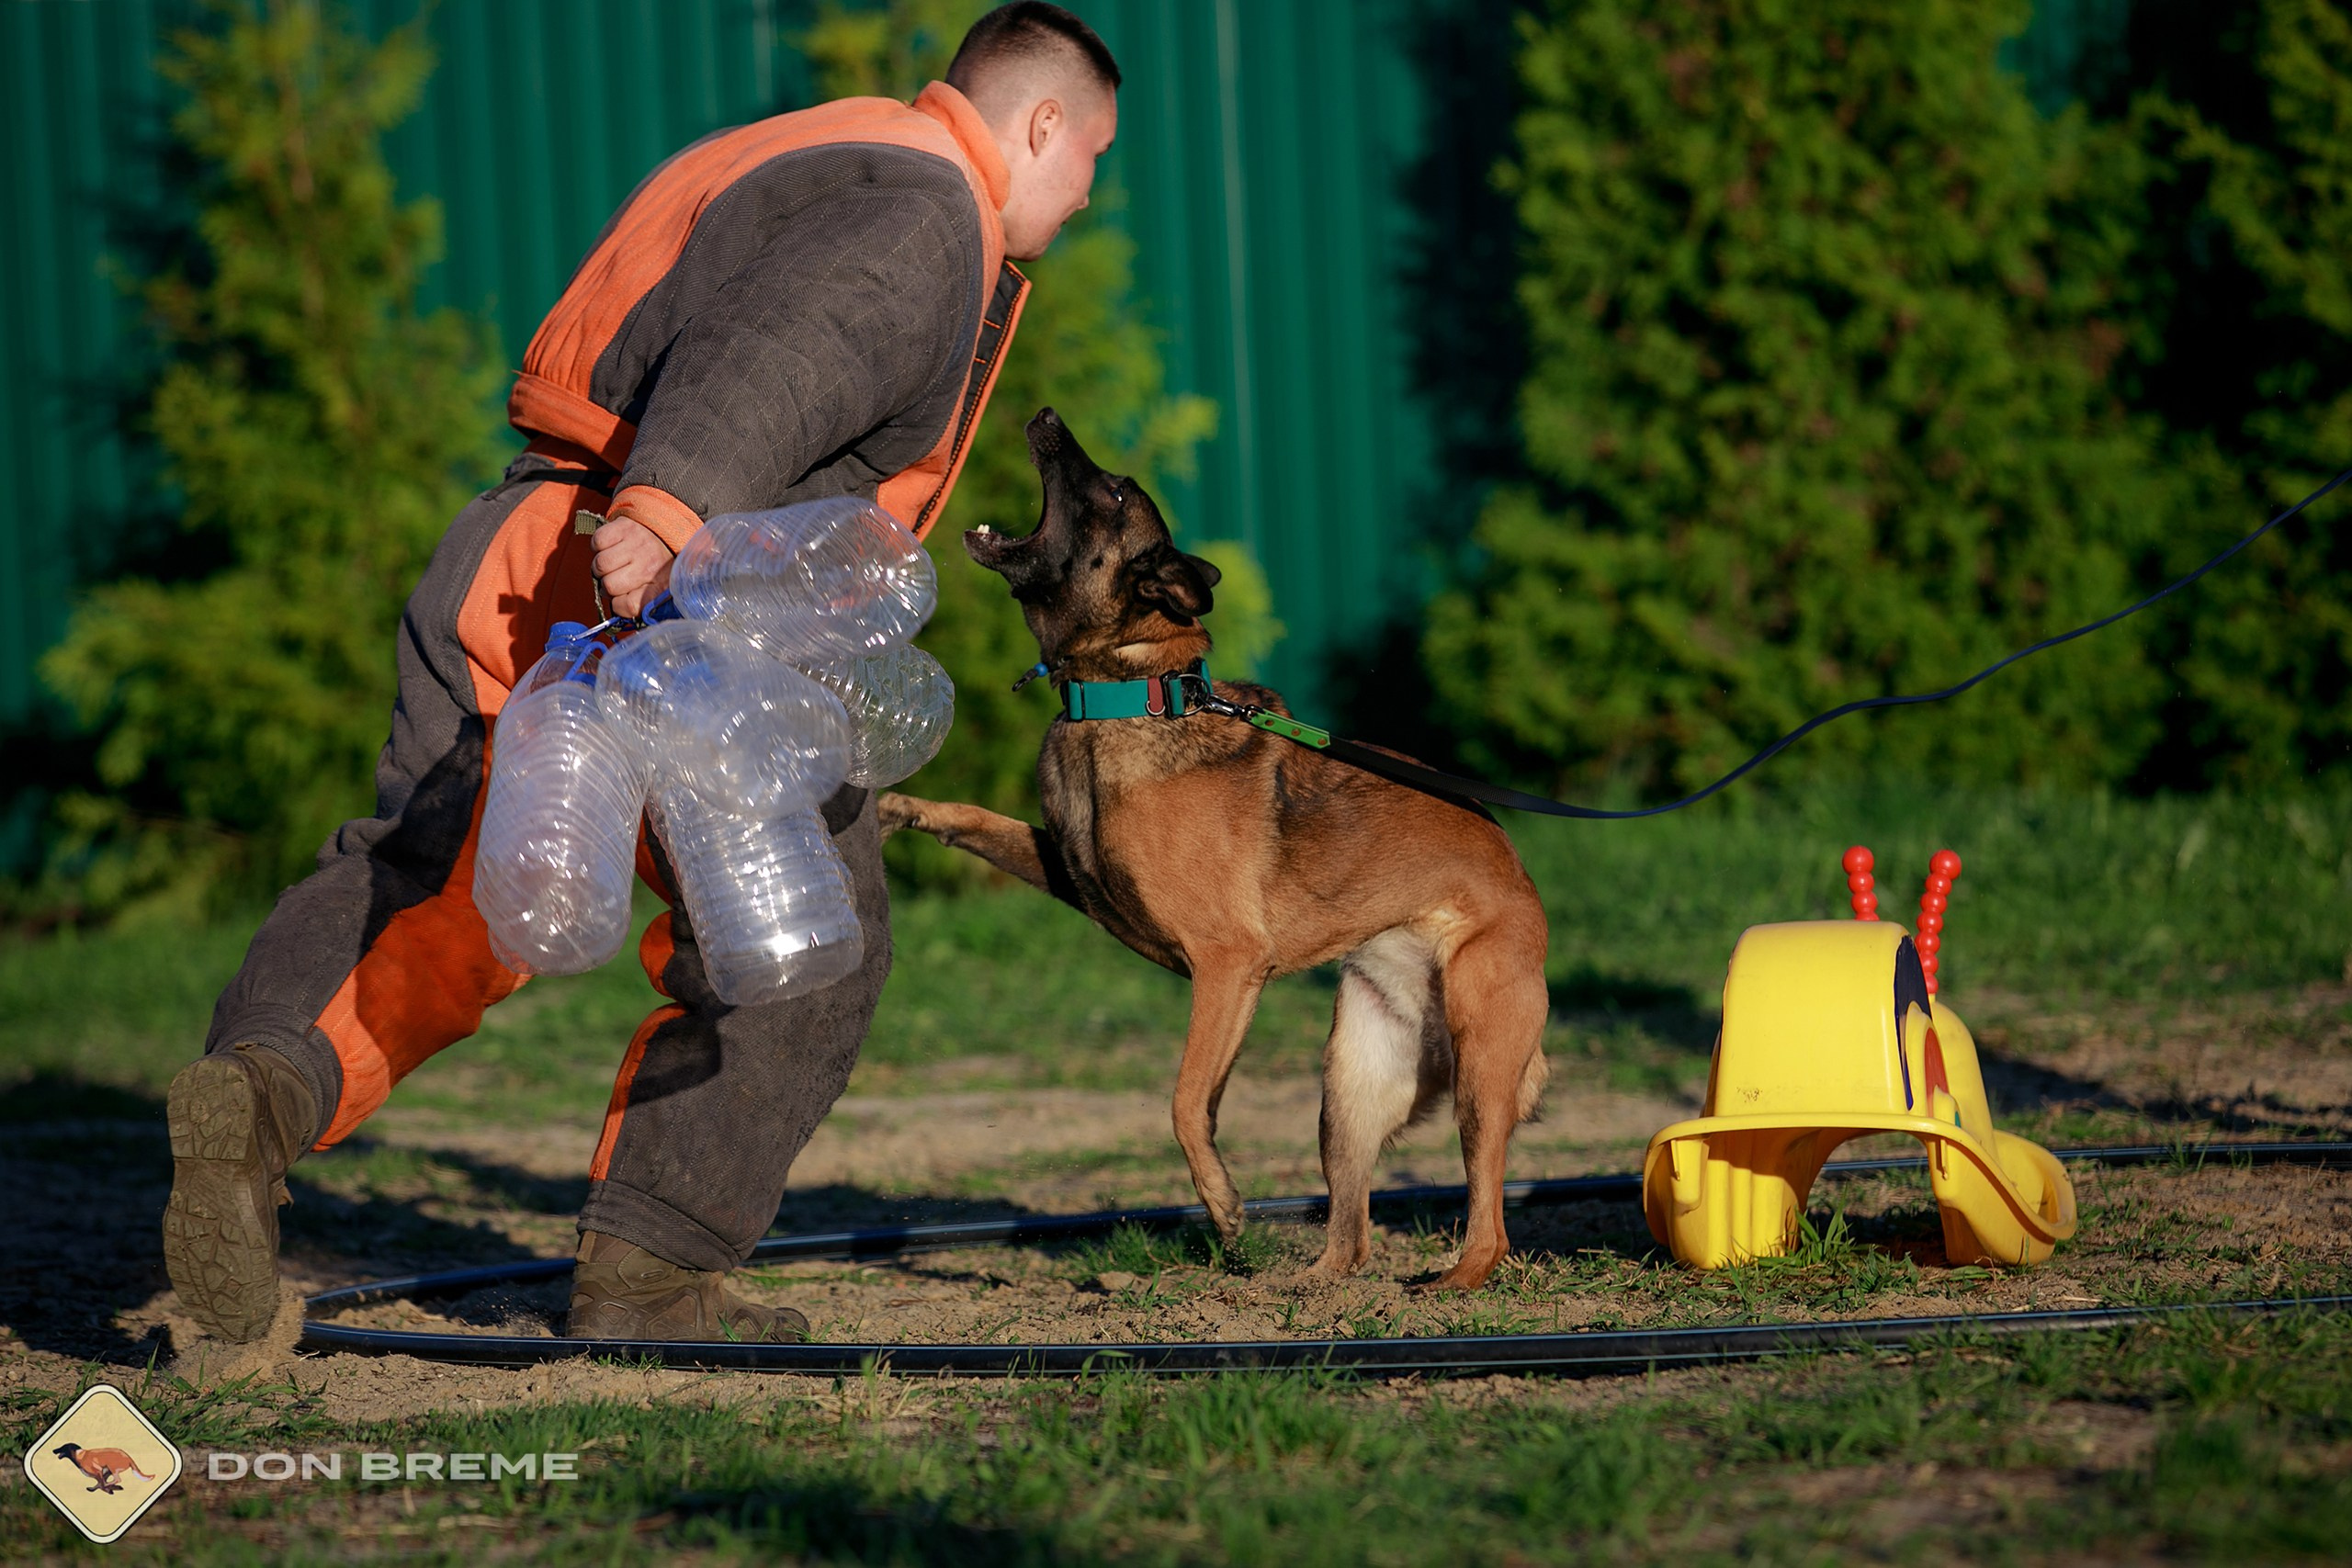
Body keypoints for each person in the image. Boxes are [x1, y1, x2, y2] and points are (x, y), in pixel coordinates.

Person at [161, 2, 1120, 1346]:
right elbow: (783, 349)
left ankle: (257, 1100)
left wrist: (639, 507)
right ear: (1038, 125)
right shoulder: (922, 216)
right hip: (679, 608)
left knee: (433, 878)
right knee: (803, 945)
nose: (1085, 199)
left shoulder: (817, 145)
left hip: (525, 546)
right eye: (1091, 162)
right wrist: (672, 507)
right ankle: (653, 1274)